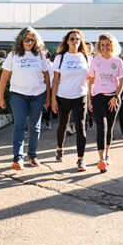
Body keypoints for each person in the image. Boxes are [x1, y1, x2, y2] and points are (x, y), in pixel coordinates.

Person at [0, 27, 51, 170]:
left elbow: (46, 75)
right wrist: (0, 98)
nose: (30, 42)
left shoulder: (40, 55)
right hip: (18, 94)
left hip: (38, 95)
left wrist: (48, 97)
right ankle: (18, 158)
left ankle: (32, 155)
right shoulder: (13, 55)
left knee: (35, 126)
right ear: (21, 39)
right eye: (27, 39)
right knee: (20, 124)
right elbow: (4, 77)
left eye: (32, 40)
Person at [51, 29, 91, 172]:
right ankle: (60, 148)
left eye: (78, 39)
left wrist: (90, 99)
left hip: (80, 95)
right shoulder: (60, 58)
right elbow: (55, 80)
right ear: (67, 41)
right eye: (72, 38)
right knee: (63, 124)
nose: (75, 41)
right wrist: (53, 99)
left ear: (81, 42)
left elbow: (90, 80)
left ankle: (81, 159)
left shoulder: (86, 58)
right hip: (63, 96)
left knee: (81, 126)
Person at [88, 32, 123, 172]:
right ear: (99, 46)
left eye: (108, 45)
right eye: (102, 45)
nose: (105, 47)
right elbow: (91, 81)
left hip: (113, 98)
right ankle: (101, 159)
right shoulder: (94, 61)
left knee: (109, 127)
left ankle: (107, 154)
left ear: (112, 46)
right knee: (101, 127)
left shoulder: (118, 62)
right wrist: (89, 99)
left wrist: (115, 97)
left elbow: (122, 81)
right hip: (98, 97)